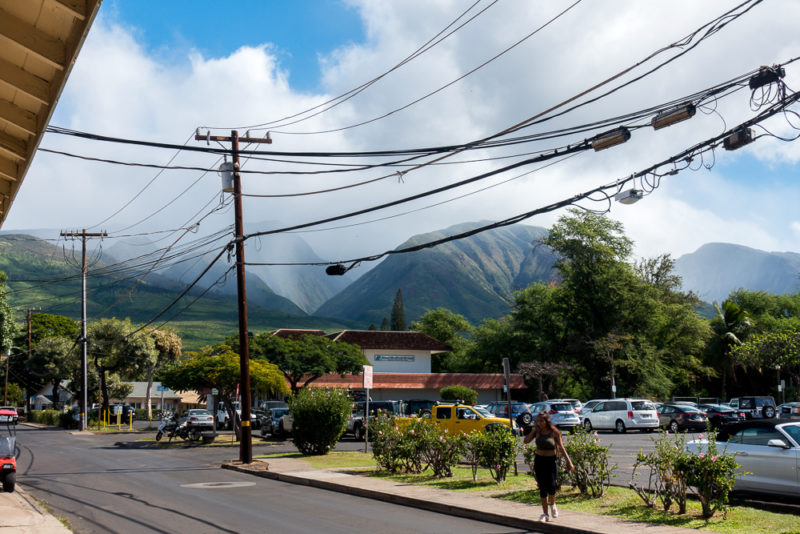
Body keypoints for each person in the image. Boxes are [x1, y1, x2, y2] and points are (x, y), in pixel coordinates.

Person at [523, 412, 574, 522]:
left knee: (551, 485)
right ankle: (545, 514)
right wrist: (533, 431)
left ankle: (553, 505)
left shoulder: (554, 432)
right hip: (539, 461)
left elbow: (561, 447)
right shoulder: (537, 432)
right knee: (542, 487)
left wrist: (569, 462)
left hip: (551, 461)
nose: (539, 423)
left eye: (542, 421)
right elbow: (525, 441)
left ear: (547, 421)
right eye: (538, 421)